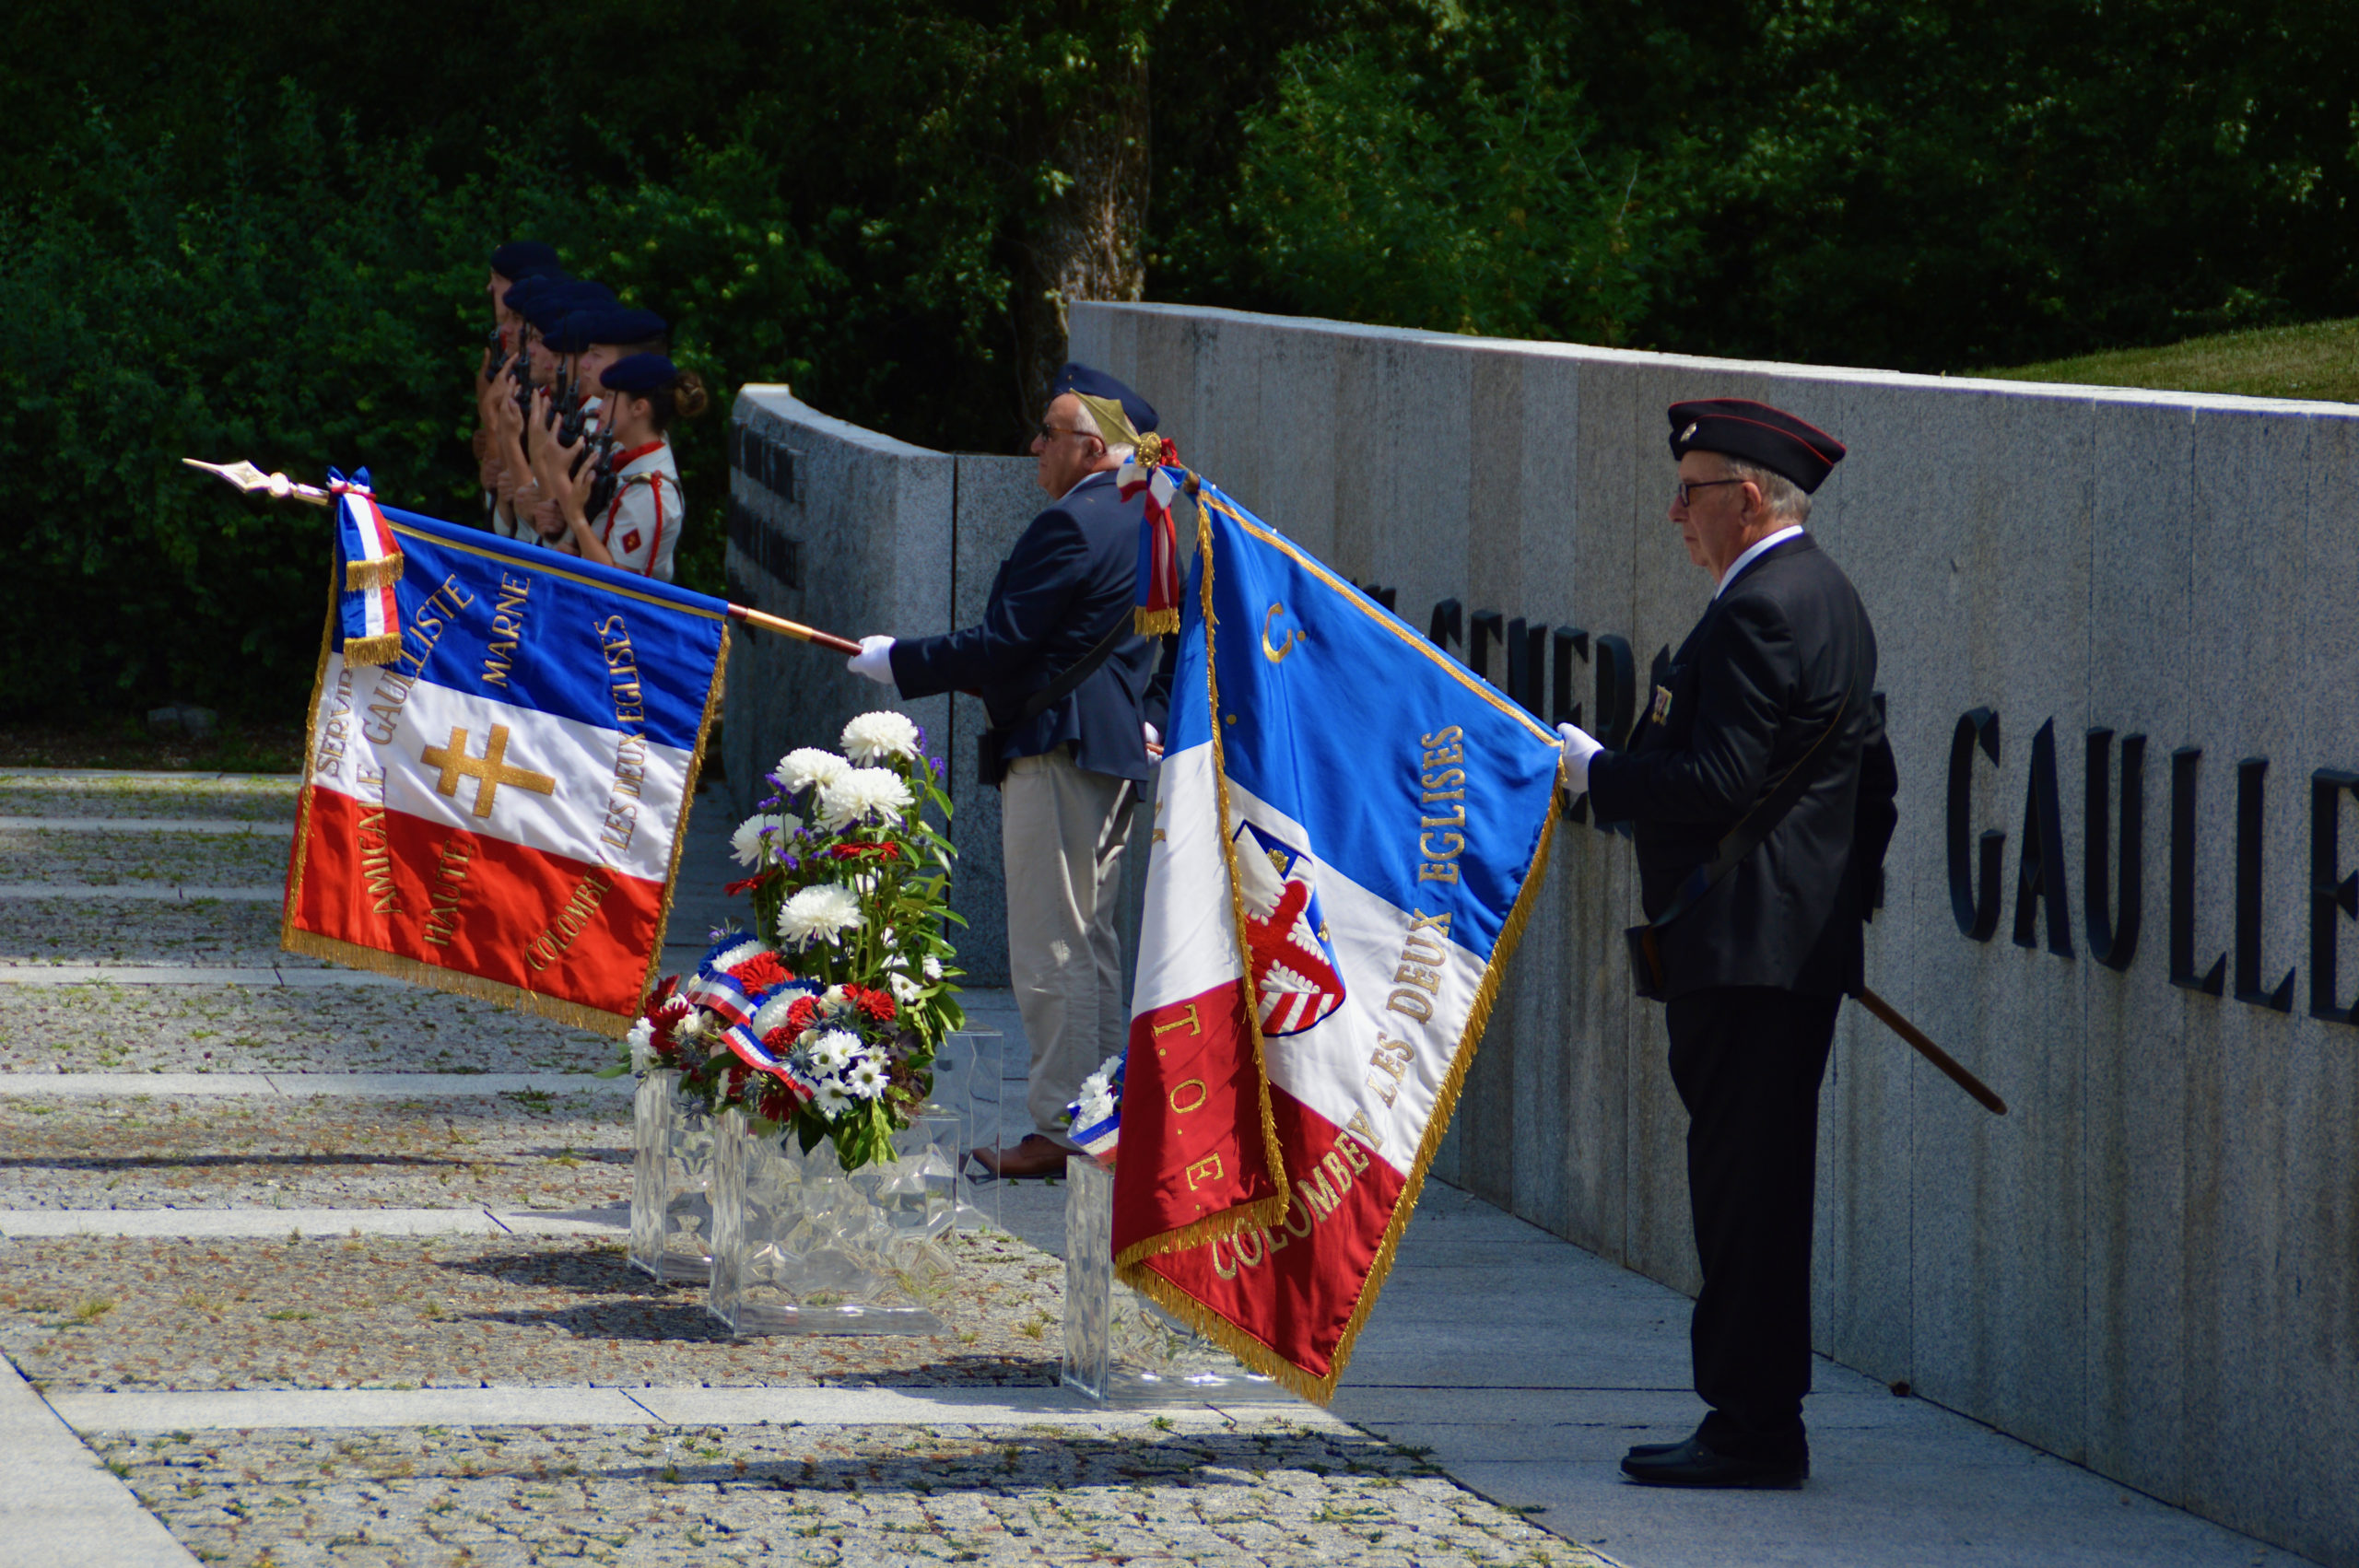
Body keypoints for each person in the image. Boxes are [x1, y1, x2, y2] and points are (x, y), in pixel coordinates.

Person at [1559, 398, 1897, 1490]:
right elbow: (1870, 787)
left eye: (1691, 491)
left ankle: (1752, 1426)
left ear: (1748, 498)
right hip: (1781, 945)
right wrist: (1835, 908)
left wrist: (1596, 775)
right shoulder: (1825, 597)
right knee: (1754, 1183)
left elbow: (1715, 781)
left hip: (1746, 950)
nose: (1674, 513)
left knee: (1742, 1192)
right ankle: (1754, 1414)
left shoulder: (1760, 607)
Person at [844, 363, 1171, 1179]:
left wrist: (901, 662)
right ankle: (1100, 1123)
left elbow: (1005, 644)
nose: (1036, 447)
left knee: (1053, 948)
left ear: (1092, 448)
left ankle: (1064, 1130)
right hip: (1110, 752)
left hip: (1060, 747)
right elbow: (1172, 636)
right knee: (1091, 943)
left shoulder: (1071, 525)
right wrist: (1150, 713)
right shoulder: (1151, 520)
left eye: (1050, 434)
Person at [527, 353, 701, 579]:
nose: (599, 406)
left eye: (609, 397)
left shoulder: (650, 489)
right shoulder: (621, 454)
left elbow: (619, 583)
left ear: (638, 408)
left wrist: (575, 515)